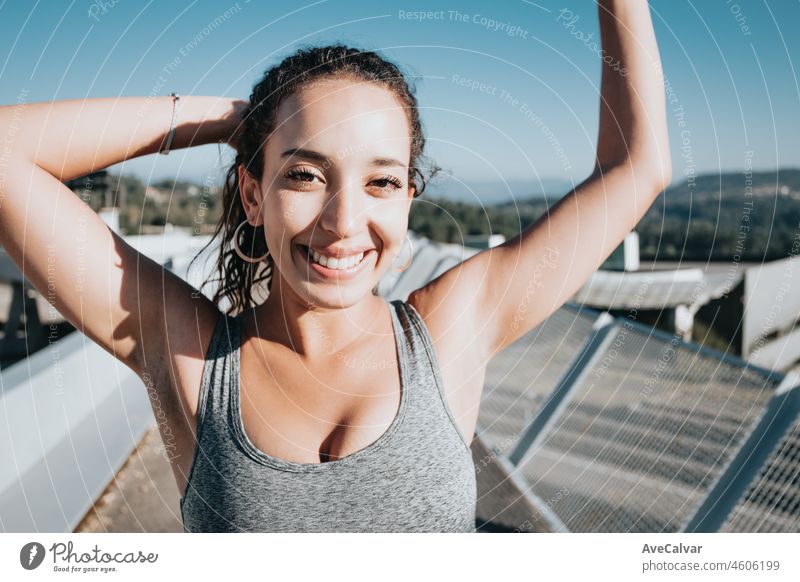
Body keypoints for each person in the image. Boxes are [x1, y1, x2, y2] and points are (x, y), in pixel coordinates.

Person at [0, 0, 670, 532]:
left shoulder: (453, 328)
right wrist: (232, 118)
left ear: (410, 197)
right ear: (253, 195)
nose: (344, 222)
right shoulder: (191, 357)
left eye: (381, 182)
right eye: (304, 174)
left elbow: (637, 168)